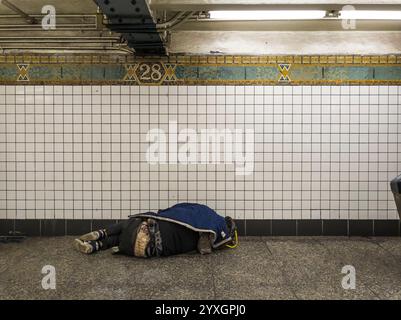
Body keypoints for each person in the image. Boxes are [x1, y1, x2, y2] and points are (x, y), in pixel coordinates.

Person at [74, 203, 238, 258]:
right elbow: (204, 249)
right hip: (147, 250)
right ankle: (96, 246)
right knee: (124, 239)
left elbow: (179, 209)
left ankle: (102, 234)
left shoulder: (205, 212)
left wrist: (163, 214)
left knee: (130, 225)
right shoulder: (201, 235)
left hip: (151, 230)